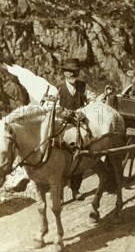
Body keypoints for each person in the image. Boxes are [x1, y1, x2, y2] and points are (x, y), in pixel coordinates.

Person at [57, 58, 97, 201]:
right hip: (64, 126)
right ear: (64, 73)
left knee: (80, 153)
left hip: (80, 124)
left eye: (75, 71)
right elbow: (53, 107)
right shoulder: (59, 89)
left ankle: (75, 190)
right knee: (61, 158)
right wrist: (63, 112)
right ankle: (59, 194)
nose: (72, 74)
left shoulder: (83, 86)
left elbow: (93, 99)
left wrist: (84, 111)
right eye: (69, 72)